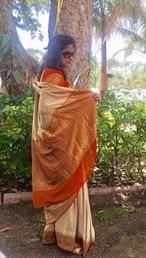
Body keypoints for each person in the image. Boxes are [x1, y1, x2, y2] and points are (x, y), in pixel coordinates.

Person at [32, 34, 100, 256]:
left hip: (62, 142)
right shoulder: (52, 76)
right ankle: (69, 236)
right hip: (61, 144)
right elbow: (49, 112)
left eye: (73, 53)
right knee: (70, 183)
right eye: (66, 53)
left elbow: (67, 102)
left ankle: (56, 233)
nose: (71, 57)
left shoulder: (54, 74)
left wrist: (86, 98)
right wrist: (86, 99)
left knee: (66, 184)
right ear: (56, 53)